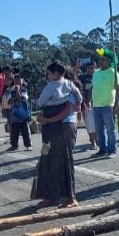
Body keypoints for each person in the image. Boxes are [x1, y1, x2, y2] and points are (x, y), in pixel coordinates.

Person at [35, 68, 82, 208]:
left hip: (64, 127)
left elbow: (67, 110)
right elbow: (42, 103)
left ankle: (71, 198)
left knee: (65, 160)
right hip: (53, 128)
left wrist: (47, 120)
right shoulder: (55, 88)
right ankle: (51, 195)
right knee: (49, 160)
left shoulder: (71, 90)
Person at [37, 61, 80, 144]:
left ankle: (47, 146)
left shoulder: (50, 86)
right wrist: (78, 103)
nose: (48, 76)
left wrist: (39, 103)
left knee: (49, 141)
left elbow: (41, 101)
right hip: (66, 114)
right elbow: (78, 94)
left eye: (49, 73)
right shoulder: (69, 84)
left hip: (52, 111)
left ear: (55, 73)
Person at [91, 48, 119, 158]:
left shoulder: (113, 72)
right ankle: (102, 149)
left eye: (103, 59)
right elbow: (94, 87)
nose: (100, 61)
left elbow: (118, 89)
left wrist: (116, 104)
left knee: (110, 129)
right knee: (99, 130)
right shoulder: (96, 73)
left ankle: (112, 150)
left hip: (108, 105)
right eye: (100, 59)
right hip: (96, 105)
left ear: (109, 61)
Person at [8, 74, 33, 151]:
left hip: (24, 115)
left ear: (22, 81)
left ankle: (28, 145)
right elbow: (10, 101)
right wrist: (15, 96)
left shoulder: (24, 90)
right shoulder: (11, 91)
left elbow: (22, 99)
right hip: (15, 115)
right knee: (14, 132)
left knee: (26, 131)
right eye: (15, 81)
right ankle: (14, 145)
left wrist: (17, 92)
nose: (17, 82)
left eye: (19, 80)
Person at [78, 61, 99, 150]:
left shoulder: (99, 76)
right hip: (87, 105)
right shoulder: (82, 77)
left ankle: (97, 139)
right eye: (89, 68)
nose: (91, 70)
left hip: (99, 103)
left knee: (97, 124)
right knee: (90, 124)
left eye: (93, 67)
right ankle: (93, 141)